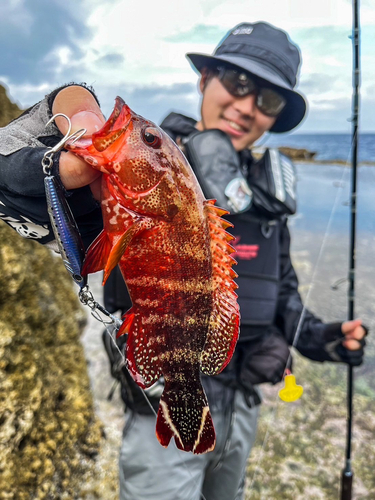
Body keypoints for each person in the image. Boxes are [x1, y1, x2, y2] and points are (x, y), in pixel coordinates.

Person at [0, 21, 367, 500]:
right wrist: (54, 149)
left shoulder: (268, 197)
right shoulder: (152, 169)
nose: (246, 106)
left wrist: (321, 339)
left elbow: (282, 293)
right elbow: (78, 218)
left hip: (244, 404)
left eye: (268, 100)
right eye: (236, 83)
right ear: (204, 78)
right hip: (156, 400)